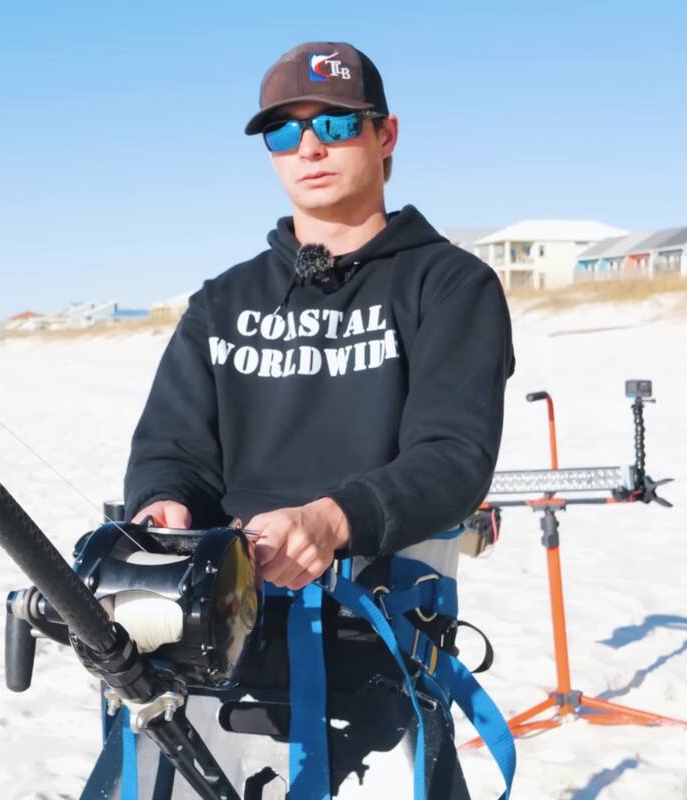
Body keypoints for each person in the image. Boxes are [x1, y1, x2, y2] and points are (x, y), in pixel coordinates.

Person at [121, 41, 515, 799]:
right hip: (213, 634)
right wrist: (162, 502)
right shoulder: (223, 300)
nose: (308, 147)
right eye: (284, 131)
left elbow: (453, 456)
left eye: (334, 125)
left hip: (381, 630)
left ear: (385, 134)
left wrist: (331, 521)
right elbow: (173, 447)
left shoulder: (451, 284)